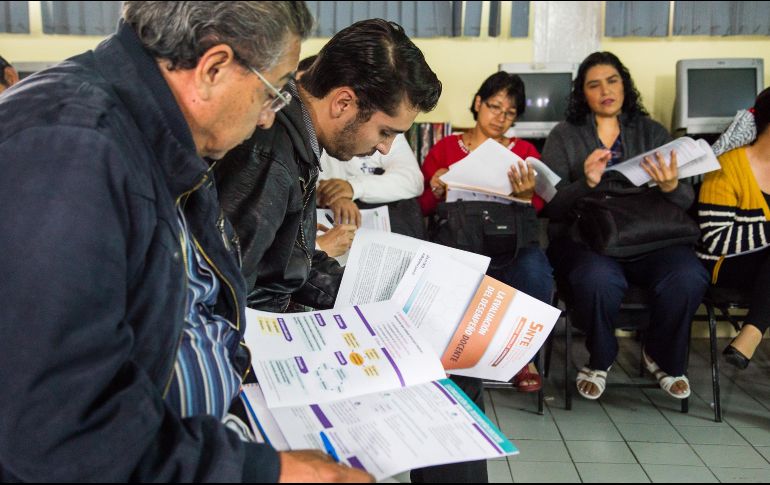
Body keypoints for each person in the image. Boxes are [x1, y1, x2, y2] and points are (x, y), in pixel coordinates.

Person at [0, 2, 370, 482]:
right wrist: (262, 472)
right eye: (273, 93)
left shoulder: (153, 130)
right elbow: (59, 427)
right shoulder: (71, 152)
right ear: (213, 68)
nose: (266, 119)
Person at [216, 19, 442, 315]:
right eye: (385, 132)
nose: (385, 148)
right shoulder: (269, 156)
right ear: (343, 103)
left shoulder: (297, 138)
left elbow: (287, 262)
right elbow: (227, 294)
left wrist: (384, 302)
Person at [541, 51, 709, 401]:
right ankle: (601, 358)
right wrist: (585, 182)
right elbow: (552, 208)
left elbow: (685, 203)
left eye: (613, 80)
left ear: (625, 85)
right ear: (582, 94)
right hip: (588, 238)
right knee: (597, 279)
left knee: (688, 275)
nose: (606, 90)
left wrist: (669, 186)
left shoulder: (652, 131)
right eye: (594, 84)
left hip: (650, 237)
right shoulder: (565, 135)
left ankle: (661, 355)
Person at [418, 71, 553, 394]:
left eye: (509, 113)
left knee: (536, 272)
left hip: (512, 241)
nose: (500, 118)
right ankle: (453, 354)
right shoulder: (447, 148)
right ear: (478, 103)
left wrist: (526, 198)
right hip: (460, 240)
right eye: (494, 107)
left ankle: (521, 357)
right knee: (446, 271)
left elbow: (539, 207)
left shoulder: (525, 152)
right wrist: (437, 186)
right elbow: (423, 206)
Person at [698, 87, 770, 369]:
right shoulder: (728, 165)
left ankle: (751, 332)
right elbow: (716, 240)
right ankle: (752, 331)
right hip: (724, 263)